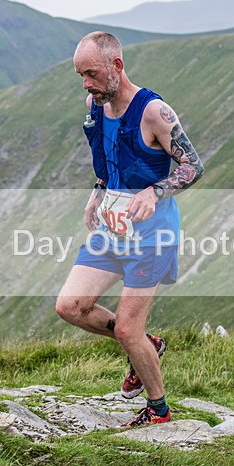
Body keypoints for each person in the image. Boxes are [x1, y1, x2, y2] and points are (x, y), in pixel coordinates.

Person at [55, 32, 204, 427]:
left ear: (116, 66)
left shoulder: (154, 112)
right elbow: (109, 157)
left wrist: (156, 191)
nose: (85, 83)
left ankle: (159, 411)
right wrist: (97, 191)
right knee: (70, 306)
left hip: (153, 233)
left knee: (127, 328)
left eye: (91, 73)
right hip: (113, 226)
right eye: (80, 75)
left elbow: (193, 166)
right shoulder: (96, 104)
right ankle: (148, 345)